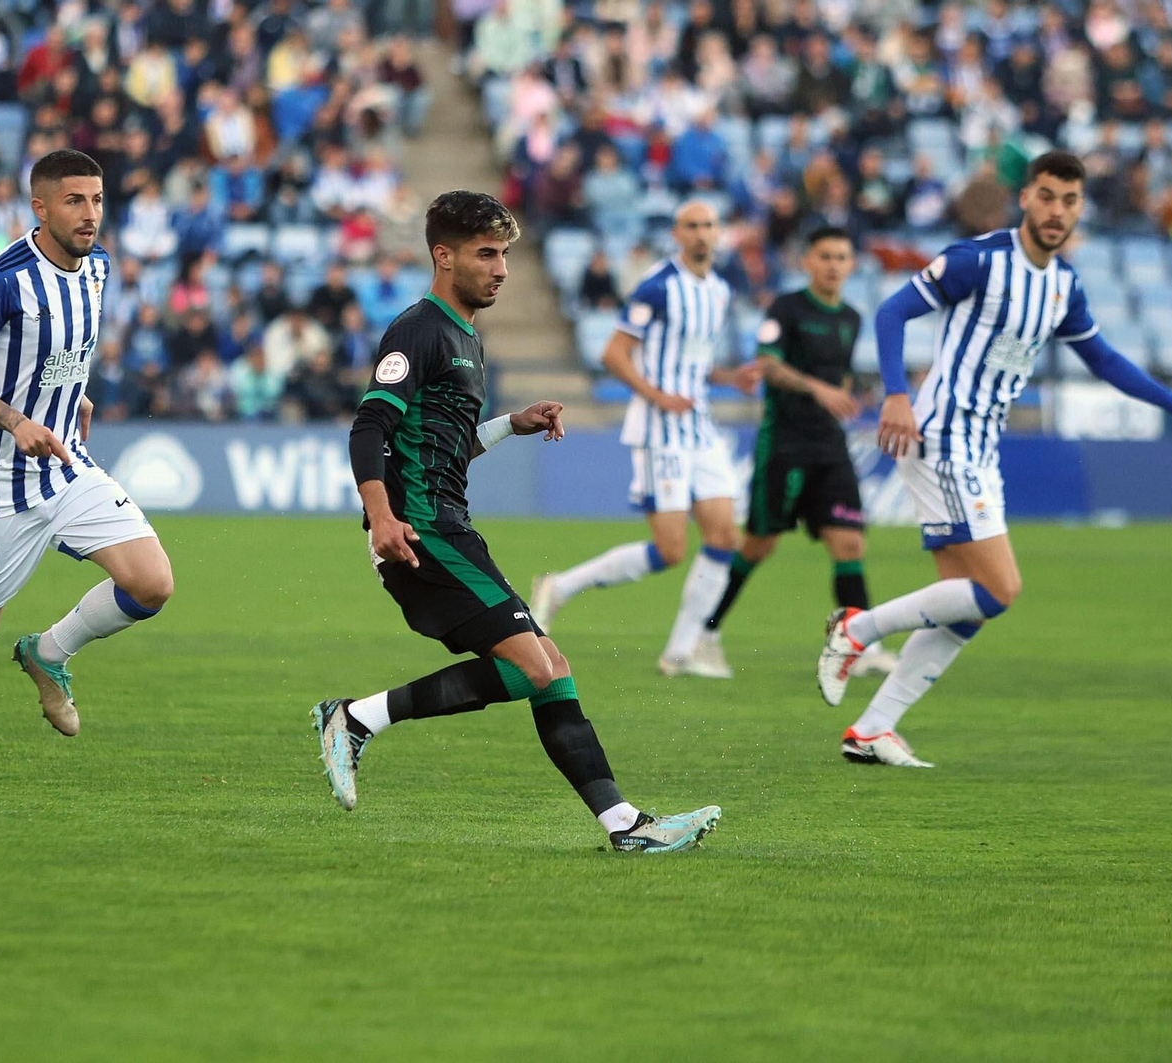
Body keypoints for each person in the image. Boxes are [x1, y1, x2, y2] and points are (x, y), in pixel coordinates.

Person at [316, 190, 721, 853]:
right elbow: (371, 425)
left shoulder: (468, 337)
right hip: (420, 531)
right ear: (443, 256)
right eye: (486, 254)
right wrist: (381, 515)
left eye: (505, 254)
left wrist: (511, 424)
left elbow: (444, 444)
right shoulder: (418, 328)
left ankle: (624, 825)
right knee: (537, 666)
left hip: (450, 526)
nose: (501, 268)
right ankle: (354, 718)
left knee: (550, 666)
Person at [816, 152, 1172, 768]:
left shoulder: (1063, 284)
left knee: (964, 602)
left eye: (1069, 201)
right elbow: (891, 312)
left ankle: (874, 728)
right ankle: (857, 630)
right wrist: (897, 397)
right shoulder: (977, 260)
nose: (1057, 211)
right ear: (1026, 199)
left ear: (1079, 207)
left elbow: (1103, 359)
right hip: (942, 436)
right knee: (999, 588)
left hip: (979, 449)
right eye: (1046, 196)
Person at [0, 150, 175, 798]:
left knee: (152, 582)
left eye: (99, 200)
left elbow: (64, 352)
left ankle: (49, 652)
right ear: (41, 206)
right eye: (75, 201)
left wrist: (72, 394)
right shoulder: (0, 282)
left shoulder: (99, 268)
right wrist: (14, 419)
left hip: (64, 465)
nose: (90, 215)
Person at [530, 200, 762, 676]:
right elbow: (614, 353)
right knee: (671, 550)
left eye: (709, 225)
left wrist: (728, 376)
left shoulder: (718, 290)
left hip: (699, 424)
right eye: (692, 226)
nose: (701, 234)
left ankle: (683, 650)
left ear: (720, 234)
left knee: (725, 535)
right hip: (661, 428)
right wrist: (657, 395)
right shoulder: (659, 287)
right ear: (677, 234)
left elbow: (690, 360)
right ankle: (561, 586)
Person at [698, 227, 897, 679]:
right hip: (784, 442)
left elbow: (841, 378)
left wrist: (851, 394)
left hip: (830, 444)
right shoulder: (785, 308)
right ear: (807, 261)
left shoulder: (851, 318)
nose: (832, 264)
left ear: (851, 265)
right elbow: (766, 363)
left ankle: (859, 643)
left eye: (841, 257)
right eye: (824, 255)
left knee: (849, 542)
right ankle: (705, 632)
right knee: (758, 544)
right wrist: (820, 390)